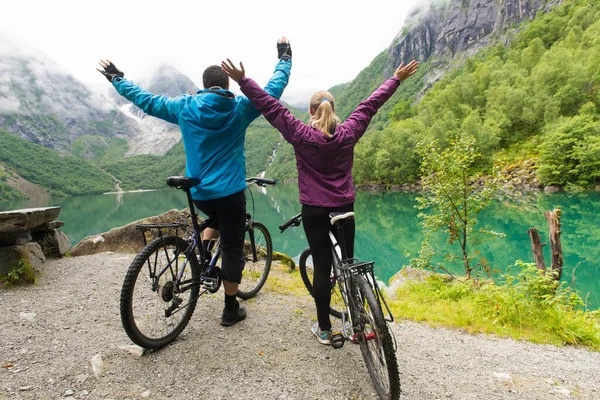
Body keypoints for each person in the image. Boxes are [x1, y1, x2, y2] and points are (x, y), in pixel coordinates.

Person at [221, 57, 418, 344]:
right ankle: (360, 324)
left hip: (314, 211)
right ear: (333, 109)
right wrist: (396, 79)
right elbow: (370, 105)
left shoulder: (301, 134)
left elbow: (270, 106)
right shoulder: (348, 132)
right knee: (349, 264)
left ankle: (325, 330)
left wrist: (242, 81)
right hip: (344, 209)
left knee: (323, 269)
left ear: (311, 111)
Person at [97, 37, 292, 327]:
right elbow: (273, 89)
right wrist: (285, 58)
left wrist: (117, 78)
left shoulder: (185, 106)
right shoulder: (240, 108)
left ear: (203, 84)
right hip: (230, 192)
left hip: (199, 192)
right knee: (233, 248)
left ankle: (198, 263)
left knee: (214, 219)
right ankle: (230, 309)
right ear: (226, 86)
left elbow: (146, 100)